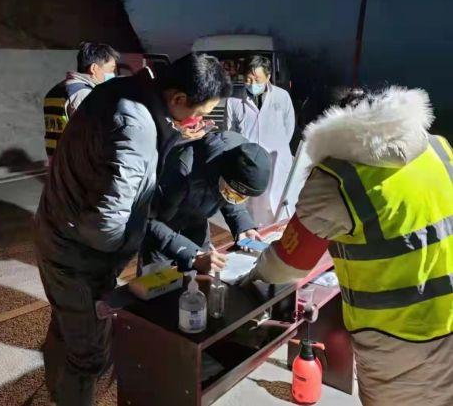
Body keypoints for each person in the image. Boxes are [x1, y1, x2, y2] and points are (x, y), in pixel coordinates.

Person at [34, 53, 232, 406]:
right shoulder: (136, 127)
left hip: (62, 233)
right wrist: (132, 244)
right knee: (89, 355)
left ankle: (57, 391)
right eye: (200, 112)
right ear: (178, 99)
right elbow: (106, 225)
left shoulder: (125, 91)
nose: (199, 121)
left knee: (67, 328)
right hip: (78, 256)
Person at [246, 86, 453, 406]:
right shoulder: (438, 148)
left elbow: (286, 266)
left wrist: (253, 272)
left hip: (400, 342)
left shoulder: (337, 178)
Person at [140, 131, 272, 274]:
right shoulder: (181, 170)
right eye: (232, 193)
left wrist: (243, 226)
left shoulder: (238, 165)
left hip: (197, 222)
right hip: (161, 231)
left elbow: (230, 195)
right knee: (158, 281)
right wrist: (193, 255)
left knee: (205, 273)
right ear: (221, 173)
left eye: (242, 197)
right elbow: (147, 220)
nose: (234, 198)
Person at [224, 54, 295, 226]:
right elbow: (229, 132)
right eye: (248, 79)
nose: (252, 83)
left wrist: (278, 145)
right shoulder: (233, 100)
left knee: (279, 205)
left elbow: (289, 126)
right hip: (249, 161)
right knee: (253, 210)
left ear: (268, 76)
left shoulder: (282, 96)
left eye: (257, 79)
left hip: (277, 158)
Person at [43, 42, 120, 159]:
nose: (113, 74)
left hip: (58, 161)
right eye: (111, 69)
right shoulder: (84, 94)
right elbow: (93, 136)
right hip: (75, 162)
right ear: (94, 68)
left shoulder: (56, 90)